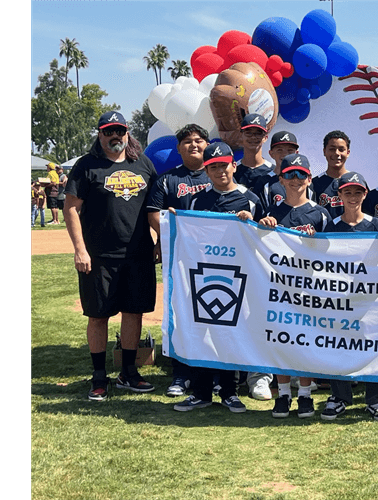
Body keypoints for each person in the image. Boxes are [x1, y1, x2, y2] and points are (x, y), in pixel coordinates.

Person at [63, 110, 158, 401]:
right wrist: (80, 250)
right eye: (108, 131)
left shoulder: (143, 164)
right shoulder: (86, 166)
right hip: (99, 256)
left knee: (133, 313)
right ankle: (99, 377)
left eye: (119, 130)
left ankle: (128, 372)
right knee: (98, 316)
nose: (114, 135)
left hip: (138, 255)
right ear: (100, 135)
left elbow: (154, 207)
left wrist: (158, 242)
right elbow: (70, 208)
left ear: (127, 133)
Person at [172, 141, 265, 413]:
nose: (219, 171)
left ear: (233, 165)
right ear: (207, 170)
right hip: (205, 274)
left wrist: (255, 222)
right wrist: (177, 222)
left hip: (239, 277)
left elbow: (266, 240)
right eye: (212, 167)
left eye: (223, 165)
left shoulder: (251, 199)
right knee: (202, 332)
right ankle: (201, 392)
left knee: (232, 333)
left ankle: (229, 392)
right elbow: (190, 235)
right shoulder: (198, 200)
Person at [258, 153, 332, 418]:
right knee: (281, 341)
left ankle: (304, 395)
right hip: (279, 288)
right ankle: (283, 395)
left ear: (309, 178)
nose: (295, 179)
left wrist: (315, 244)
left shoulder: (320, 214)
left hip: (309, 288)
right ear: (281, 179)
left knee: (304, 341)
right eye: (290, 174)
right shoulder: (272, 214)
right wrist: (263, 227)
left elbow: (332, 255)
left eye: (301, 174)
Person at [320, 171, 378, 422]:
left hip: (369, 298)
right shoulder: (331, 225)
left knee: (371, 346)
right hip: (340, 299)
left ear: (365, 194)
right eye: (347, 192)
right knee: (338, 346)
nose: (352, 197)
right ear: (338, 195)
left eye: (358, 192)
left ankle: (376, 400)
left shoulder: (375, 225)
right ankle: (339, 397)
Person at [146, 123, 212, 398]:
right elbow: (153, 213)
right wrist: (169, 233)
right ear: (178, 148)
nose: (193, 145)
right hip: (181, 258)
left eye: (198, 140)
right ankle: (181, 374)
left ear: (206, 145)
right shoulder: (167, 180)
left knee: (215, 312)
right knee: (181, 315)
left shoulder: (219, 175)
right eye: (187, 142)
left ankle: (219, 374)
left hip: (216, 257)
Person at [253, 130, 306, 212]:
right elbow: (260, 215)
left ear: (297, 153)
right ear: (271, 154)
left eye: (290, 150)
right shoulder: (263, 182)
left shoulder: (304, 180)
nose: (285, 154)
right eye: (279, 150)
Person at [312, 130, 351, 219]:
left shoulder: (356, 182)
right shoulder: (314, 184)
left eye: (341, 149)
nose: (337, 153)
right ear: (324, 151)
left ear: (348, 152)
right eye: (332, 149)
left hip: (351, 232)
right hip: (323, 232)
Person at [234, 114, 274, 189]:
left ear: (265, 137)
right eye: (248, 133)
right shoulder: (232, 171)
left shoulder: (273, 172)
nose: (253, 137)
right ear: (241, 135)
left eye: (258, 133)